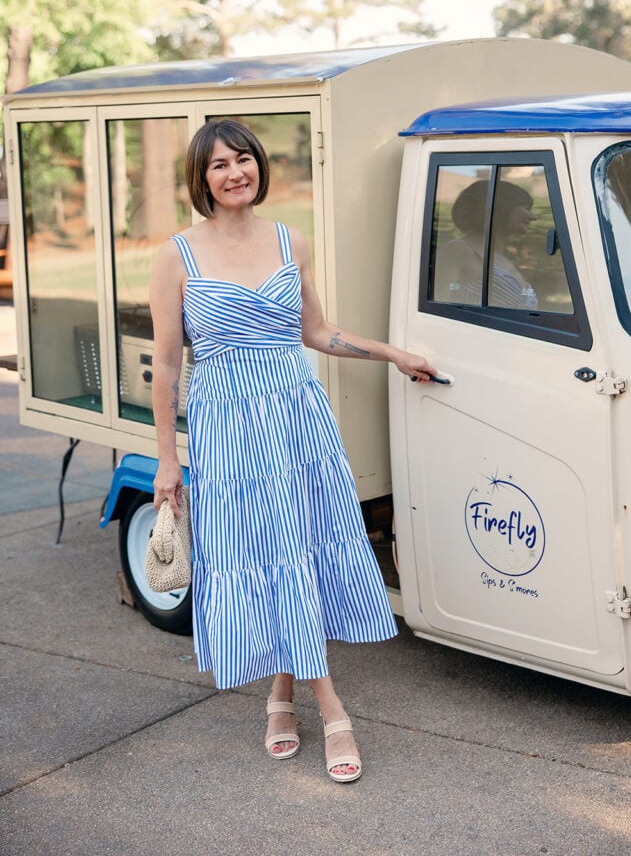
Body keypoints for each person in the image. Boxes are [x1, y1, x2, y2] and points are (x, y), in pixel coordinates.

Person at [149, 119, 436, 784]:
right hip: (227, 426)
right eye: (218, 164)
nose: (233, 172)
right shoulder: (177, 255)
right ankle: (330, 704)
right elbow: (166, 368)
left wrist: (393, 354)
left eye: (243, 158)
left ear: (259, 165)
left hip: (297, 416)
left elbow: (318, 332)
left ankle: (281, 697)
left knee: (296, 548)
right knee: (263, 549)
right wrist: (168, 459)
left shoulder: (290, 240)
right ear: (202, 178)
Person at [433, 178, 538, 309]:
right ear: (503, 206)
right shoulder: (458, 250)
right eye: (527, 208)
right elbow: (437, 310)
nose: (534, 217)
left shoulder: (504, 258)